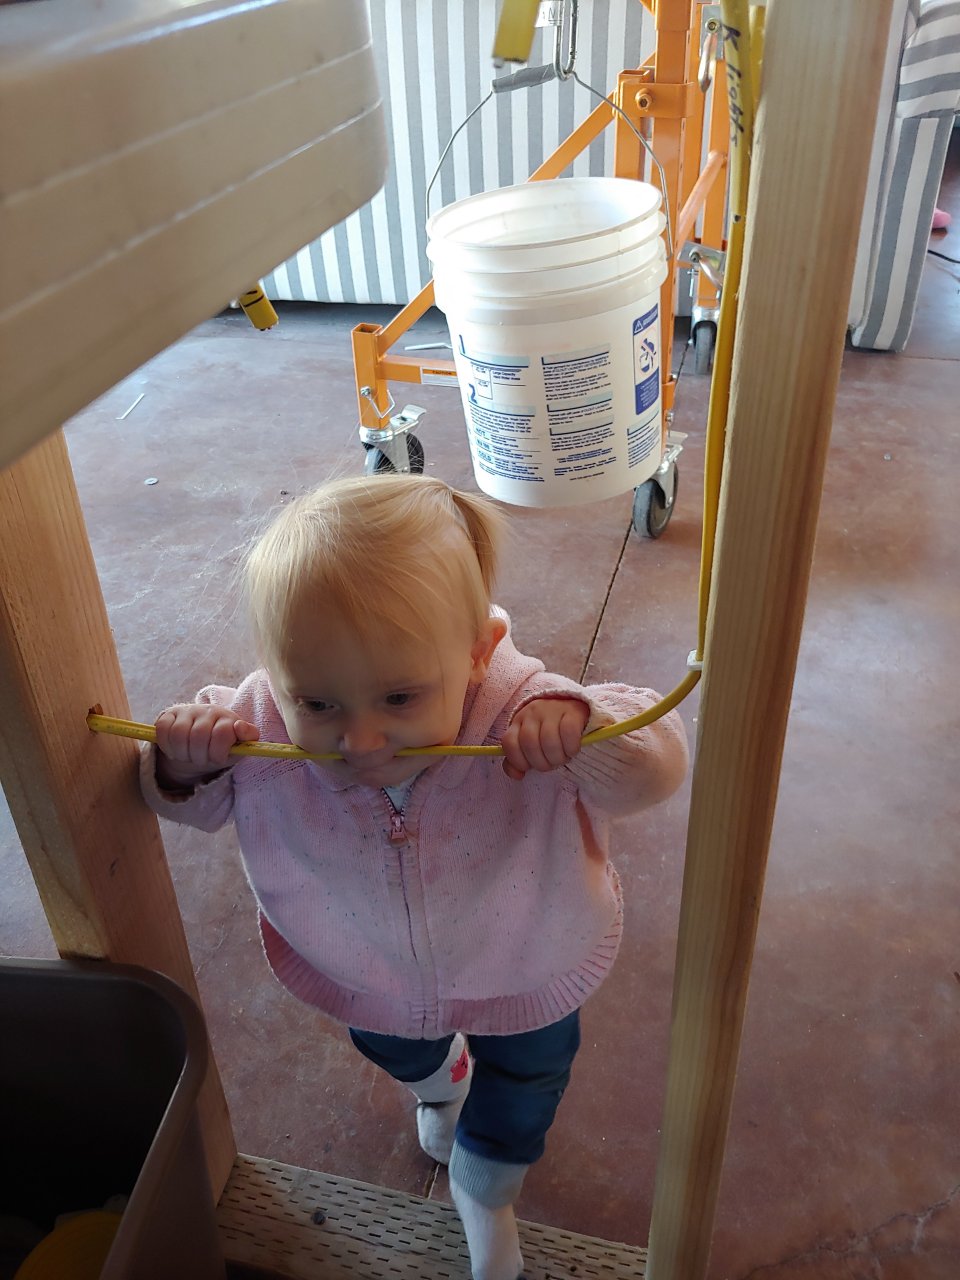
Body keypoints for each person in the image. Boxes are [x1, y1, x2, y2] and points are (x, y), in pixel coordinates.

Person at [141, 474, 688, 1280]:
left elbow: (657, 764)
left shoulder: (530, 710)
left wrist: (587, 729)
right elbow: (189, 802)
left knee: (529, 1080)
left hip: (527, 958)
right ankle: (439, 1084)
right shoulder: (257, 723)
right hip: (368, 970)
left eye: (399, 697)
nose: (360, 741)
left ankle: (485, 1188)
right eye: (318, 703)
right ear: (277, 669)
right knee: (393, 1045)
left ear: (475, 653)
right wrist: (182, 764)